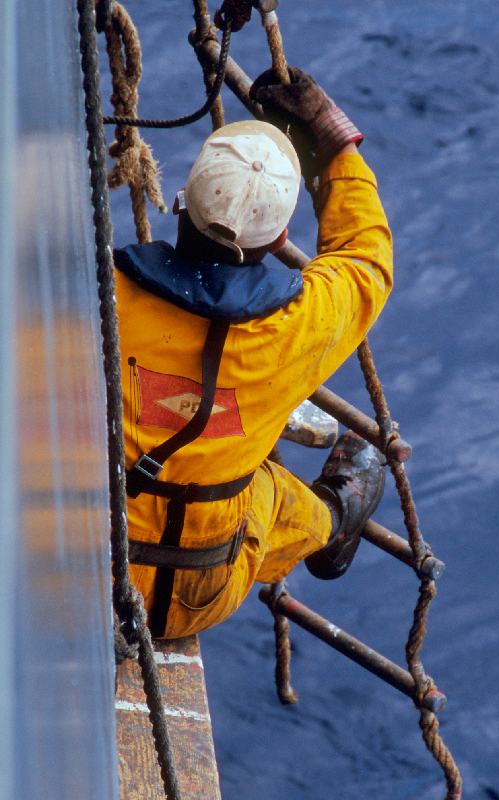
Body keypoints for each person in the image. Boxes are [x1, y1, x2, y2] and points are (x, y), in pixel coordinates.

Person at [114, 66, 392, 639]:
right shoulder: (299, 325)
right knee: (269, 492)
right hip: (206, 591)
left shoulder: (101, 296)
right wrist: (335, 143)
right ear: (280, 234)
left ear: (182, 200)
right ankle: (336, 522)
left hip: (92, 570)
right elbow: (366, 260)